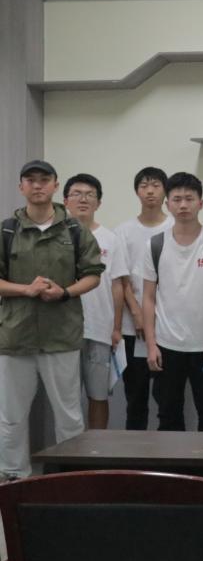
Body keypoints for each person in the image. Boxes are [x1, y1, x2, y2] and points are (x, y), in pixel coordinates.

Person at [0, 160, 103, 479]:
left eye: (44, 180)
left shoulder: (74, 230)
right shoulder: (7, 230)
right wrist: (25, 290)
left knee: (69, 416)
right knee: (11, 417)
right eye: (30, 180)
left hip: (62, 337)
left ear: (56, 186)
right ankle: (14, 476)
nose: (37, 185)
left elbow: (93, 274)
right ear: (21, 187)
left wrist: (65, 292)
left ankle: (69, 478)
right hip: (15, 337)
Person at [142, 173, 203, 432]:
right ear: (168, 204)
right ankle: (174, 461)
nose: (183, 205)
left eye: (189, 199)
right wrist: (151, 345)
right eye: (177, 199)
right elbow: (148, 297)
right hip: (166, 345)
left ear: (200, 203)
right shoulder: (154, 245)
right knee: (168, 414)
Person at [63, 173, 129, 430]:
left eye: (90, 195)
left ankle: (97, 449)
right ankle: (68, 451)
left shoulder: (111, 239)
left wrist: (116, 327)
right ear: (65, 201)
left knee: (98, 396)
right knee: (66, 399)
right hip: (62, 331)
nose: (83, 199)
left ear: (98, 203)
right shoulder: (55, 237)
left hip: (100, 329)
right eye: (77, 194)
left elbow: (117, 285)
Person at [115, 167, 173, 430]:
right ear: (136, 192)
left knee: (167, 397)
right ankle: (134, 451)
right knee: (136, 396)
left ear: (165, 191)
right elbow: (121, 277)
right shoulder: (123, 231)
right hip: (133, 327)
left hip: (169, 326)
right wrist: (137, 313)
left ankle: (166, 450)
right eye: (144, 186)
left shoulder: (176, 227)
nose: (150, 191)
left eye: (156, 185)